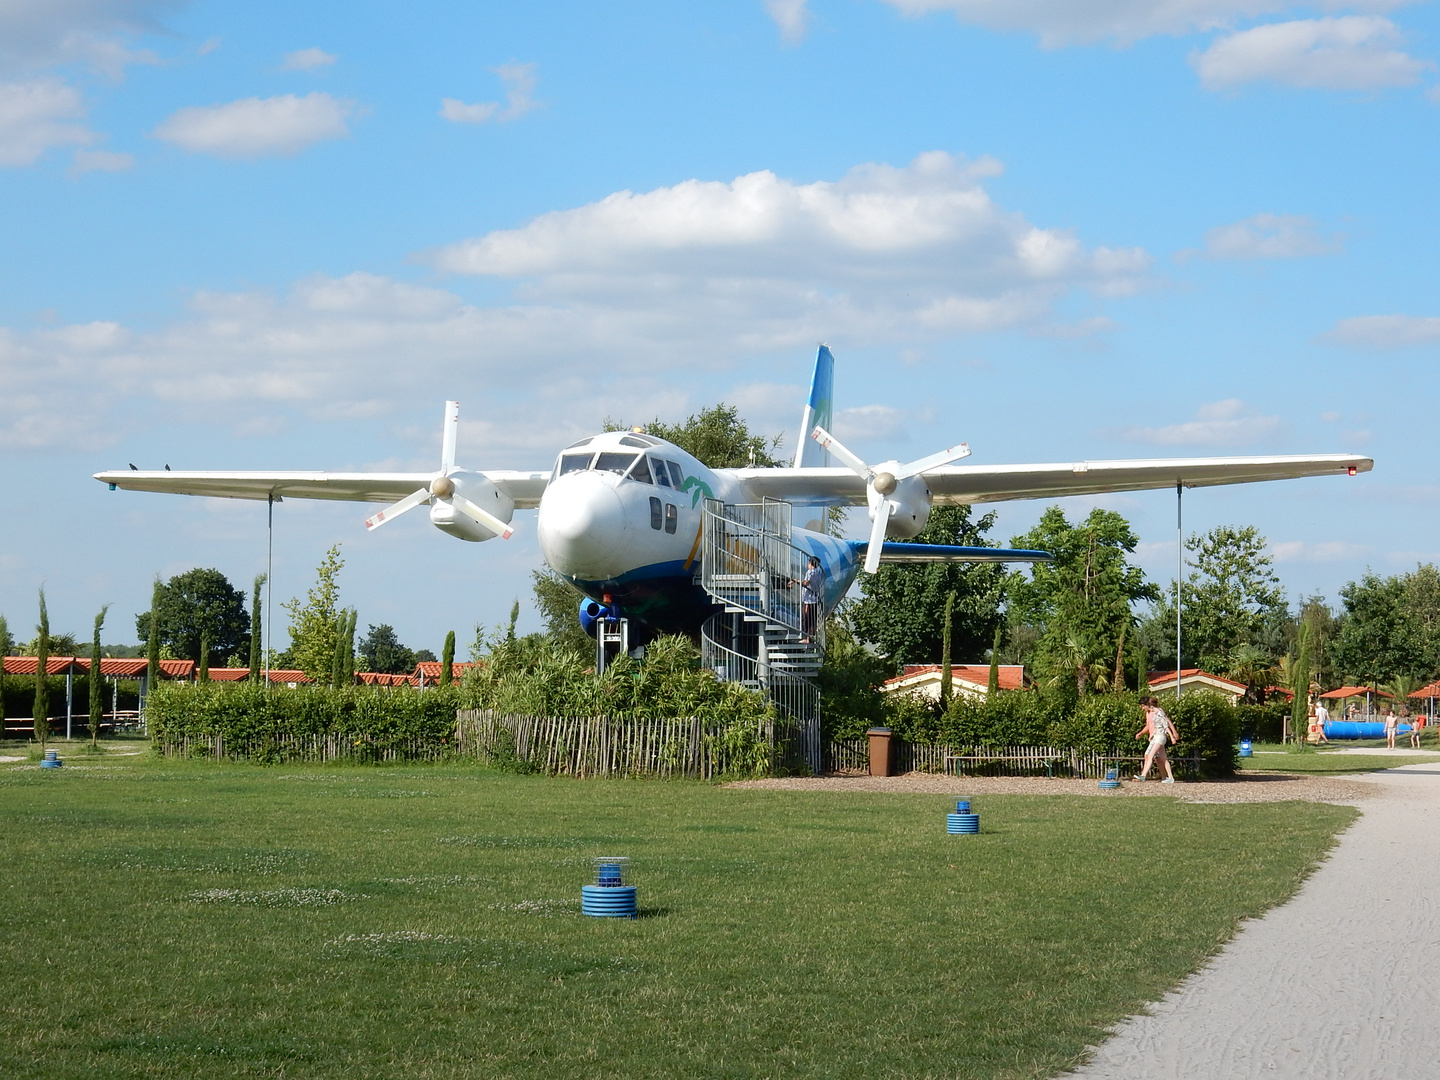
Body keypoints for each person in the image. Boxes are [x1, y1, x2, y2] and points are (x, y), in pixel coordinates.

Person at [1134, 696, 1179, 783]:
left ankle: (1143, 776)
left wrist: (1173, 734)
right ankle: (1168, 778)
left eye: (1144, 706)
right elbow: (1151, 725)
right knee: (1162, 758)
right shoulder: (1149, 713)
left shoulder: (1158, 712)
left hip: (1159, 737)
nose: (1143, 708)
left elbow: (1166, 723)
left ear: (1149, 705)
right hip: (1155, 737)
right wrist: (1144, 733)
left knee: (1150, 755)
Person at [797, 556, 824, 644]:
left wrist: (796, 581)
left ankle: (806, 638)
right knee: (812, 619)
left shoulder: (810, 572)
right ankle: (810, 637)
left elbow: (806, 582)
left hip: (808, 599)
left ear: (810, 563)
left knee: (805, 618)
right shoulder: (819, 573)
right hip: (815, 599)